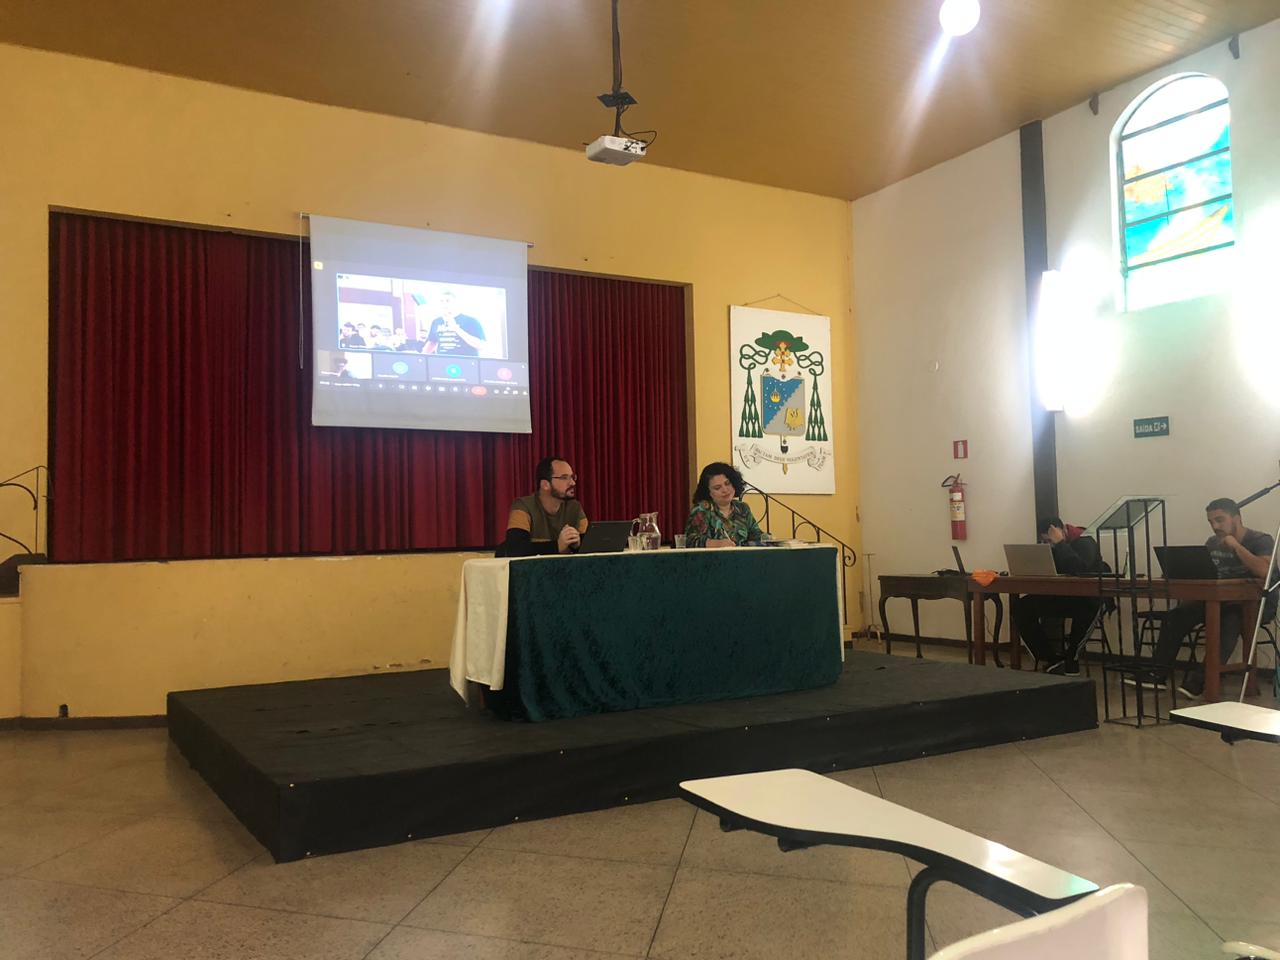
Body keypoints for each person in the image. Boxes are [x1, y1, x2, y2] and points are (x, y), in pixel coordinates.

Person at [1151, 498, 1276, 698]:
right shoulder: (1212, 543)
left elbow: (1264, 571)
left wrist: (1236, 547)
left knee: (1228, 621)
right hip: (1218, 600)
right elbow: (1205, 573)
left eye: (1220, 520)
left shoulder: (1261, 540)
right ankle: (1156, 674)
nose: (1215, 526)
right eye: (1211, 522)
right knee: (1176, 616)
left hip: (1255, 603)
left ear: (1236, 518)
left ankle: (1200, 681)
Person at [1010, 517, 1106, 675]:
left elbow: (1079, 569)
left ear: (1062, 531)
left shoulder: (1085, 541)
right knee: (1021, 607)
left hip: (1089, 598)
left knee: (1087, 608)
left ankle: (1071, 659)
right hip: (1063, 596)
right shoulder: (1052, 547)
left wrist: (1060, 543)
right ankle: (1050, 658)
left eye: (1050, 540)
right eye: (1045, 541)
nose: (1050, 544)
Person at [497, 457, 589, 557]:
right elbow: (514, 548)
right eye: (564, 478)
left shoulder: (575, 507)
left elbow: (592, 544)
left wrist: (578, 545)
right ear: (545, 485)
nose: (573, 483)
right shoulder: (523, 505)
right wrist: (556, 546)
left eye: (572, 477)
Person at [684, 462, 763, 548]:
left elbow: (758, 537)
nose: (725, 490)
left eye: (727, 483)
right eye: (717, 488)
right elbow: (690, 541)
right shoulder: (702, 509)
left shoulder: (742, 508)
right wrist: (716, 544)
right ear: (708, 492)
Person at [424, 291, 486, 357]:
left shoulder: (471, 321)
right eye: (441, 301)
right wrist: (420, 357)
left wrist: (456, 328)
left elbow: (481, 346)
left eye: (447, 301)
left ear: (456, 303)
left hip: (465, 361)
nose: (444, 304)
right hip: (442, 361)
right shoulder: (436, 322)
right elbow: (432, 343)